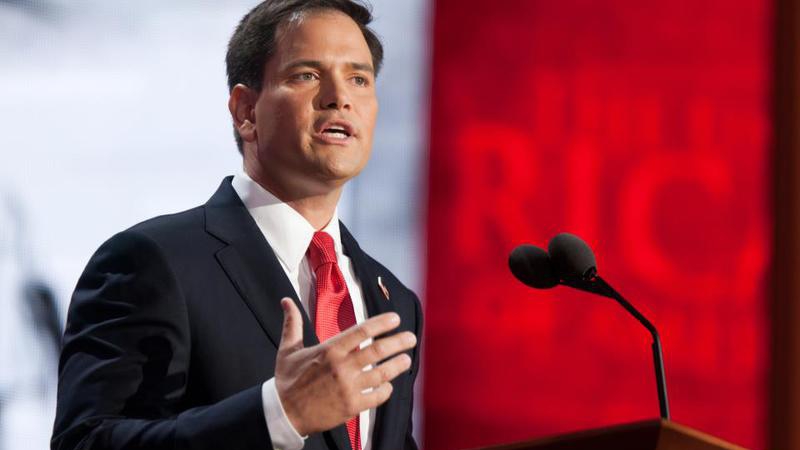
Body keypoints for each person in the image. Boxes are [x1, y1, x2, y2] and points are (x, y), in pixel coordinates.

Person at [50, 1, 421, 449]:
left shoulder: (394, 299)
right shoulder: (152, 262)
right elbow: (84, 443)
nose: (339, 97)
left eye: (358, 79)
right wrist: (279, 415)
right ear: (246, 111)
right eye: (307, 75)